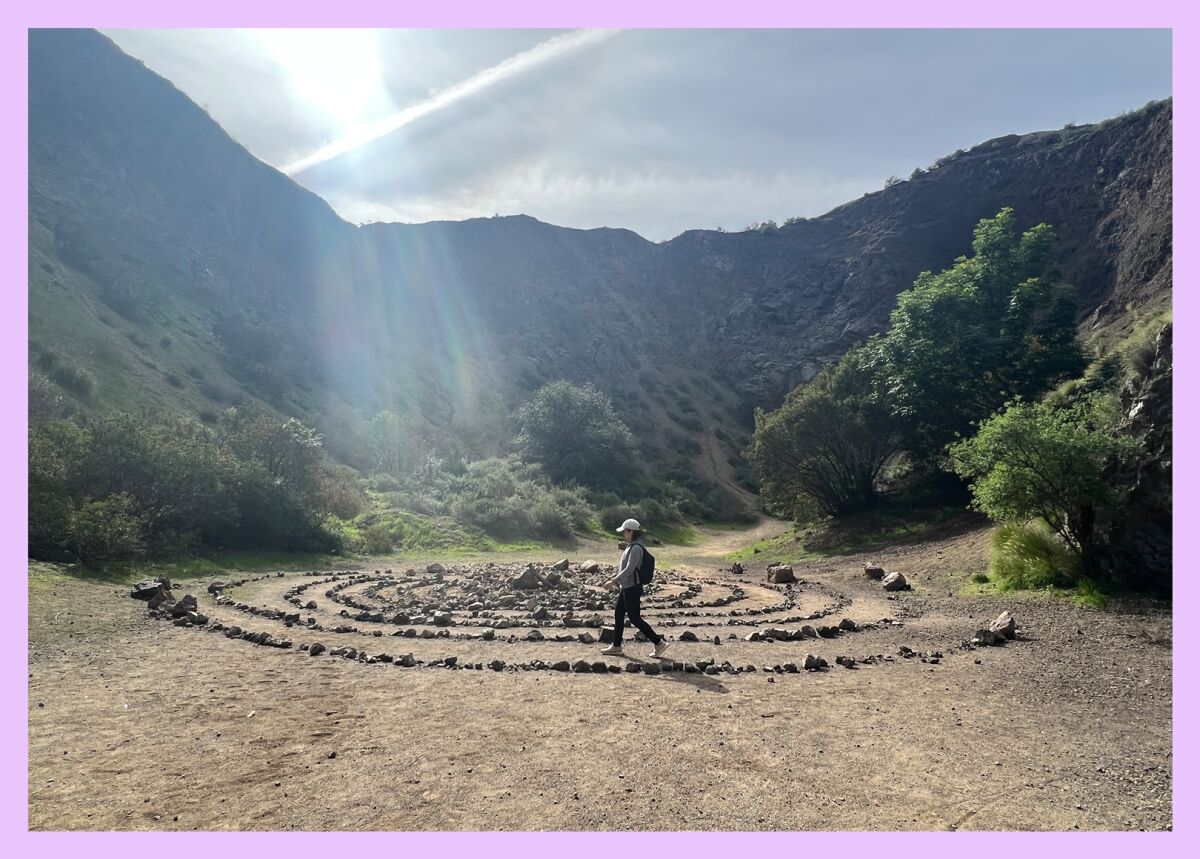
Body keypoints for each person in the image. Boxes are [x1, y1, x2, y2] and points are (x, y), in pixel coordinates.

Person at [599, 518, 669, 658]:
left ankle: (659, 642)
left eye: (625, 531)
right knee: (619, 614)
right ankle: (617, 646)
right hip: (627, 587)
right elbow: (622, 569)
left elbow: (630, 568)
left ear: (631, 531)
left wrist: (613, 581)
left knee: (635, 618)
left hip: (633, 587)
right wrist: (614, 578)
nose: (624, 534)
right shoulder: (630, 546)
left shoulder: (636, 548)